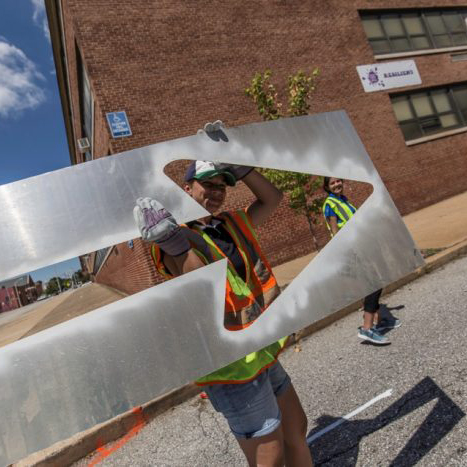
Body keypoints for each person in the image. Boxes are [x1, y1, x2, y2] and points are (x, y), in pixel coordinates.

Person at [134, 159, 313, 466]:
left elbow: (273, 199)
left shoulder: (230, 224)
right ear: (186, 188)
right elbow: (206, 289)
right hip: (231, 369)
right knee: (269, 458)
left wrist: (241, 167)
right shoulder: (172, 238)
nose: (216, 192)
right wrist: (176, 246)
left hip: (261, 352)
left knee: (296, 427)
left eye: (222, 185)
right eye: (208, 184)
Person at [322, 176, 400, 345]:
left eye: (338, 181)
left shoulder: (343, 200)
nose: (336, 184)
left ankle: (379, 322)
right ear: (327, 187)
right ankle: (366, 329)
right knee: (373, 285)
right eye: (332, 183)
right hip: (350, 250)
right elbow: (335, 231)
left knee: (372, 284)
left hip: (360, 246)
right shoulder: (330, 204)